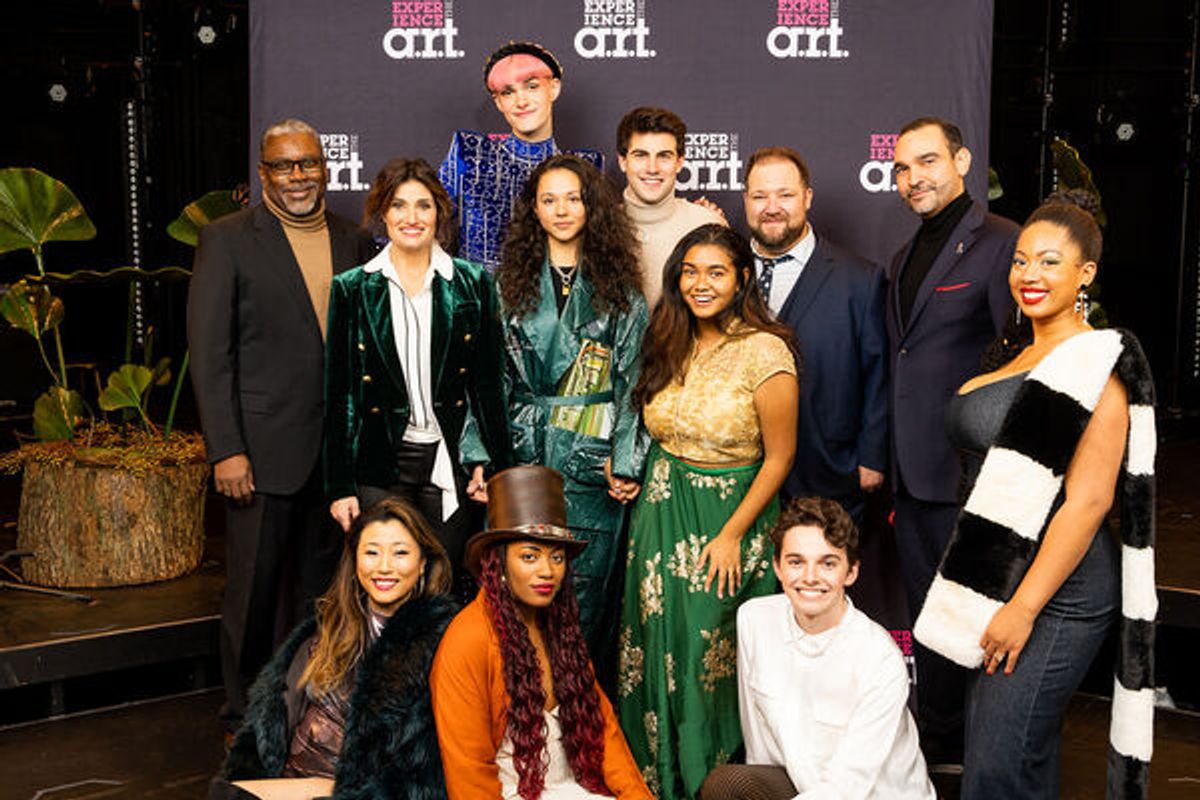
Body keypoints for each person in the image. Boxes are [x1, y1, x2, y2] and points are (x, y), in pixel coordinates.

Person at [914, 194, 1157, 799]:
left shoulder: (1095, 362)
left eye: (1049, 262)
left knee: (998, 766)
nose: (1029, 276)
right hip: (1000, 577)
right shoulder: (1017, 352)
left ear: (1085, 273)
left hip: (1060, 592)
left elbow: (1090, 502)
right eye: (1021, 261)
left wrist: (1021, 609)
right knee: (1016, 758)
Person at [188, 118, 377, 733]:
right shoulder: (229, 240)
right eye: (283, 166)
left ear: (325, 166)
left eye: (307, 164)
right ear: (263, 173)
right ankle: (242, 708)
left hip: (333, 453)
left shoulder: (352, 239)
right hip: (261, 451)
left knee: (322, 590)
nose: (297, 177)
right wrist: (227, 449)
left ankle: (308, 702)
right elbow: (211, 353)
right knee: (252, 589)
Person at [618, 223, 799, 799]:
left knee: (704, 662)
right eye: (690, 271)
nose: (701, 283)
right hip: (659, 515)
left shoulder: (765, 350)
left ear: (742, 278)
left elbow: (780, 459)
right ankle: (655, 785)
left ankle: (715, 788)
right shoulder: (668, 337)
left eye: (716, 271)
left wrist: (730, 536)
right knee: (650, 649)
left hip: (728, 520)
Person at [885, 116, 1019, 765]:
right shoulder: (904, 254)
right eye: (903, 168)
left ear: (961, 162)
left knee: (975, 625)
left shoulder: (1001, 243)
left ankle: (982, 756)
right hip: (912, 478)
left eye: (928, 162)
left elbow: (1019, 359)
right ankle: (938, 756)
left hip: (970, 478)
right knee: (929, 627)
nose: (914, 178)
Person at [324, 157, 511, 583]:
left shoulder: (472, 283)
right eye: (399, 206)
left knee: (445, 585)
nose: (412, 218)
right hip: (378, 464)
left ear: (439, 213)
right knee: (385, 586)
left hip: (451, 462)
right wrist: (339, 486)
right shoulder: (352, 289)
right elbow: (340, 396)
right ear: (382, 214)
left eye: (423, 206)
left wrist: (494, 465)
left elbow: (488, 386)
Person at [491, 152, 648, 654]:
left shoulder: (622, 293)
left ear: (592, 208)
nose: (561, 210)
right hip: (524, 456)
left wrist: (624, 461)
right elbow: (488, 382)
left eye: (573, 199)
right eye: (548, 199)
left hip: (591, 464)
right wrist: (481, 457)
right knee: (520, 598)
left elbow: (635, 383)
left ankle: (582, 721)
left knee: (585, 603)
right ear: (533, 211)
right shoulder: (504, 287)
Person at [430, 465, 653, 799]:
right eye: (529, 556)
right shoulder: (467, 640)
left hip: (578, 789)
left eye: (557, 557)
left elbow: (605, 734)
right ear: (499, 563)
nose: (547, 571)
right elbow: (469, 773)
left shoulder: (561, 631)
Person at [215, 497, 457, 800]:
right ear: (355, 561)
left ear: (423, 563)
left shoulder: (443, 643)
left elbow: (425, 768)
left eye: (400, 553)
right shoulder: (324, 632)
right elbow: (268, 728)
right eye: (371, 552)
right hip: (292, 783)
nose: (384, 567)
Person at [700, 497, 934, 800]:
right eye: (796, 562)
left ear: (851, 572)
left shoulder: (879, 658)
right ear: (777, 567)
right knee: (728, 784)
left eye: (828, 563)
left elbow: (848, 788)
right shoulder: (754, 619)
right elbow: (759, 743)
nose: (810, 577)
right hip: (803, 786)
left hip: (870, 794)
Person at [744, 146, 888, 524]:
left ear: (807, 197)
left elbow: (878, 373)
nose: (771, 207)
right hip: (740, 473)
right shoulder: (724, 273)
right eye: (760, 196)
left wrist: (872, 456)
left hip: (828, 470)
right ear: (745, 200)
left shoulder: (860, 279)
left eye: (785, 195)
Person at [439, 40, 603, 271]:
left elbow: (599, 251)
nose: (521, 101)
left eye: (532, 86)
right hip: (477, 303)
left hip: (553, 303)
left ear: (554, 88)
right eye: (508, 92)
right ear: (498, 102)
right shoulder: (470, 153)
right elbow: (425, 225)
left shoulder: (584, 167)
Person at [615, 106, 724, 307]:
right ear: (622, 161)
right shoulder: (601, 226)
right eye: (641, 155)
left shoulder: (707, 224)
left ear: (680, 162)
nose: (652, 168)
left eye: (664, 156)